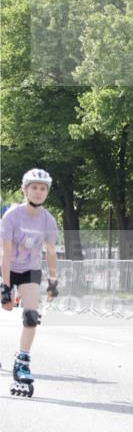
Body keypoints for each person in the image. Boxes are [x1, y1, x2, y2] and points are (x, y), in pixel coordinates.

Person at [1, 168, 59, 396]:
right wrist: (5, 288)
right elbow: (5, 254)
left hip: (30, 270)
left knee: (31, 315)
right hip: (5, 267)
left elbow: (51, 252)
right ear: (25, 190)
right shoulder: (12, 216)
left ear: (47, 192)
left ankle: (22, 362)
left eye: (42, 188)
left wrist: (53, 282)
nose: (38, 192)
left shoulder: (48, 220)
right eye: (34, 187)